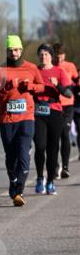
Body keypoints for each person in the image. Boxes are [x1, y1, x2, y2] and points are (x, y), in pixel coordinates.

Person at [0, 35, 44, 207]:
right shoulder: (0, 70)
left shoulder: (31, 68)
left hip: (26, 118)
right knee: (11, 156)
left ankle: (19, 190)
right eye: (10, 50)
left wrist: (31, 87)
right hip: (7, 119)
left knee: (23, 155)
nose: (13, 53)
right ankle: (13, 181)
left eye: (16, 50)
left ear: (21, 50)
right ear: (6, 51)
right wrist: (5, 88)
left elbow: (41, 86)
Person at [33, 43, 72, 195]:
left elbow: (69, 94)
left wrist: (58, 86)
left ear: (51, 56)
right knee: (40, 146)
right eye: (41, 54)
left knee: (52, 149)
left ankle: (50, 181)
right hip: (38, 113)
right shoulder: (33, 71)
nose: (43, 57)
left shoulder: (59, 71)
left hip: (55, 112)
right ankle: (39, 178)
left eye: (46, 54)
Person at [52, 43, 78, 179]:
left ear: (65, 56)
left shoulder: (70, 66)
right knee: (54, 138)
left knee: (65, 134)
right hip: (54, 106)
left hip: (68, 105)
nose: (59, 62)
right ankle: (55, 166)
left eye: (61, 58)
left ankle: (65, 167)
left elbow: (76, 80)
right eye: (57, 59)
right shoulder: (50, 67)